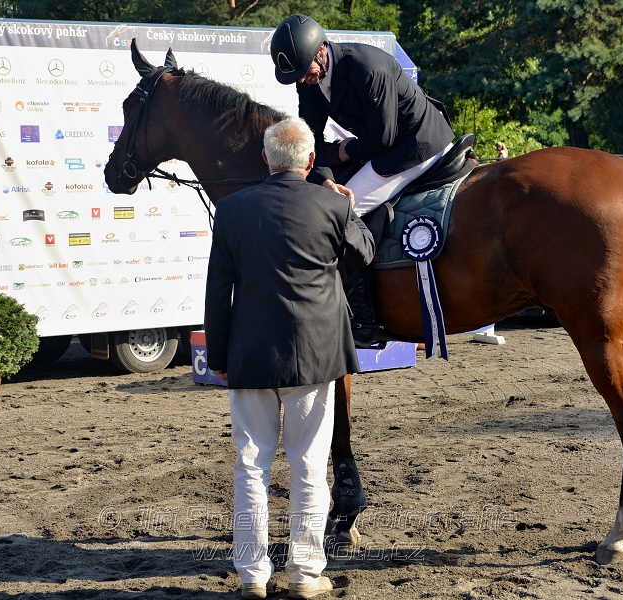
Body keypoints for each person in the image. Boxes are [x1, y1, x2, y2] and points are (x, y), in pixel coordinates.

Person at [204, 118, 374, 600]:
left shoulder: (232, 209)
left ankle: (253, 576)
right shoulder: (331, 204)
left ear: (265, 159)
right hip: (315, 355)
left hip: (249, 354)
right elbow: (364, 252)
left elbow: (218, 291)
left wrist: (219, 354)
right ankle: (304, 573)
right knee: (309, 465)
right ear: (311, 161)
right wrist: (350, 209)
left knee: (249, 465)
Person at [269, 14, 455, 346]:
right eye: (295, 77)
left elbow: (383, 138)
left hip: (414, 146)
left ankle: (364, 323)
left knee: (340, 211)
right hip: (382, 146)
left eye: (304, 72)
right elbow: (311, 137)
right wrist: (324, 179)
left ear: (322, 51)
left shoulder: (367, 68)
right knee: (331, 193)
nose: (302, 81)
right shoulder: (309, 82)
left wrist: (342, 153)